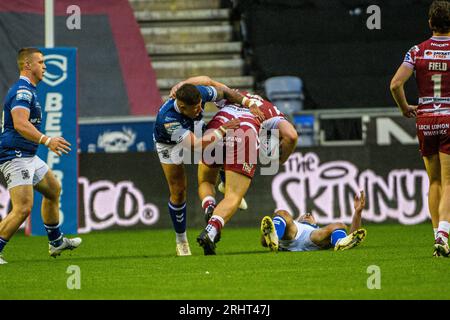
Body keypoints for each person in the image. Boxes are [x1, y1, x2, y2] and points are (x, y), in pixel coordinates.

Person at [153, 82, 262, 256]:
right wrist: (222, 129)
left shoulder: (201, 93)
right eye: (194, 109)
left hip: (194, 130)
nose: (199, 110)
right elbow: (196, 146)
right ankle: (181, 240)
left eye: (200, 106)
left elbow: (226, 93)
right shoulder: (168, 119)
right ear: (182, 107)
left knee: (224, 146)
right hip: (169, 144)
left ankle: (225, 181)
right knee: (178, 191)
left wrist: (249, 103)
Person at [170, 76, 298, 213]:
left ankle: (211, 202)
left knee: (206, 180)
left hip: (214, 133)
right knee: (235, 191)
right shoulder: (271, 109)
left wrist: (182, 84)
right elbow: (291, 136)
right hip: (244, 138)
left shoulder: (236, 95)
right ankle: (226, 184)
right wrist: (280, 160)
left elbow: (208, 81)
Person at [0, 48, 81, 265]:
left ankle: (56, 241)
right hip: (14, 155)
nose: (45, 66)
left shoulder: (30, 90)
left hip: (27, 155)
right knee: (23, 207)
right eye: (41, 62)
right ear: (27, 65)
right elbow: (20, 124)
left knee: (53, 189)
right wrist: (47, 140)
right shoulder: (23, 92)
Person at [390, 0, 450, 257]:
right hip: (449, 118)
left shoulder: (416, 51)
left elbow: (395, 84)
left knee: (434, 181)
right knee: (449, 181)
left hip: (425, 120)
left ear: (430, 23)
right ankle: (444, 234)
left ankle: (437, 236)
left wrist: (405, 108)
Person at [260, 191, 367, 252]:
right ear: (298, 220)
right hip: (292, 235)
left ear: (315, 223)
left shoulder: (317, 229)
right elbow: (263, 243)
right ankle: (274, 237)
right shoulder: (294, 224)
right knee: (282, 213)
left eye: (310, 215)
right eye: (305, 215)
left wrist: (358, 212)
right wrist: (266, 238)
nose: (307, 214)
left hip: (312, 237)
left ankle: (340, 243)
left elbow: (353, 236)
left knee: (340, 225)